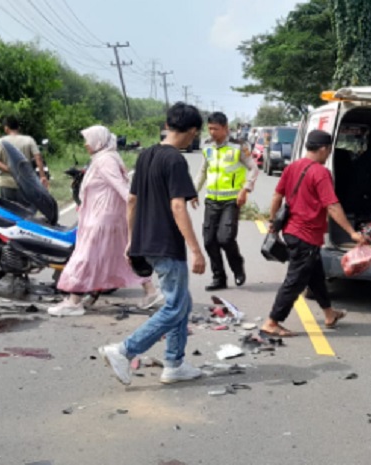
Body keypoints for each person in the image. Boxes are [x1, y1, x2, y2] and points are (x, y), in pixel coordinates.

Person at [98, 102, 206, 386]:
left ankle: (174, 363)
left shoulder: (145, 155)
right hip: (166, 244)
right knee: (175, 306)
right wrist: (196, 250)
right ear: (192, 131)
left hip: (146, 242)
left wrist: (132, 240)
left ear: (168, 124)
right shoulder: (175, 160)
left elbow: (131, 200)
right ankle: (124, 350)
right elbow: (177, 206)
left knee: (182, 301)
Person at [48, 126, 162, 317]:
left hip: (102, 219)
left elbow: (123, 189)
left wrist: (140, 208)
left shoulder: (105, 161)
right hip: (108, 216)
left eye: (88, 140)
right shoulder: (107, 157)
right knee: (121, 256)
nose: (86, 144)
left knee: (85, 257)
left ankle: (74, 302)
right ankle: (151, 292)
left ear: (99, 141)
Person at [260, 130, 364, 337]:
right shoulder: (320, 172)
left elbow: (277, 196)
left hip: (293, 232)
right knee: (295, 281)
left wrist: (273, 221)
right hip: (305, 236)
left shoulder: (292, 167)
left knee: (316, 275)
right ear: (325, 149)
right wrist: (352, 232)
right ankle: (272, 321)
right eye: (329, 150)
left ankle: (329, 313)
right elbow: (332, 206)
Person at [192, 112, 258, 291]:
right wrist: (193, 192)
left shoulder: (239, 146)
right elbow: (203, 171)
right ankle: (218, 277)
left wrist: (245, 190)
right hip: (211, 200)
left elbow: (253, 168)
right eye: (210, 128)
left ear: (226, 128)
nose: (212, 132)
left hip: (231, 200)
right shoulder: (207, 146)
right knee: (209, 241)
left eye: (216, 129)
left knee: (225, 238)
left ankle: (238, 268)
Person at [0, 116, 48, 206]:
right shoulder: (29, 140)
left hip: (6, 182)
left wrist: (8, 169)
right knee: (26, 212)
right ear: (18, 127)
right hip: (25, 182)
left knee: (9, 212)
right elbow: (38, 158)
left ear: (6, 128)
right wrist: (42, 176)